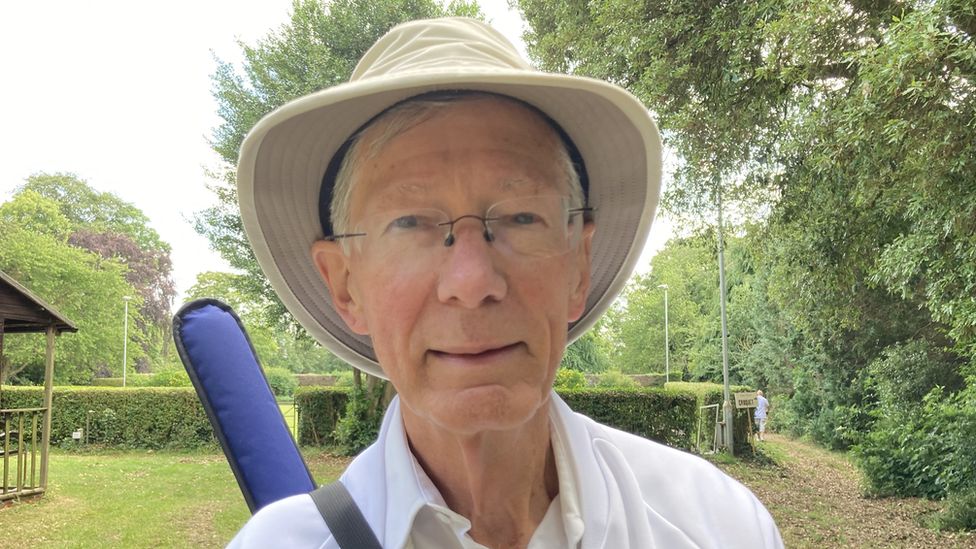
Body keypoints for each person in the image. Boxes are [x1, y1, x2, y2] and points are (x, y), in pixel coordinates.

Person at [230, 17, 783, 548]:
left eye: (521, 217)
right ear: (346, 286)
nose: (472, 282)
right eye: (409, 223)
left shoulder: (717, 527)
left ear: (578, 266)